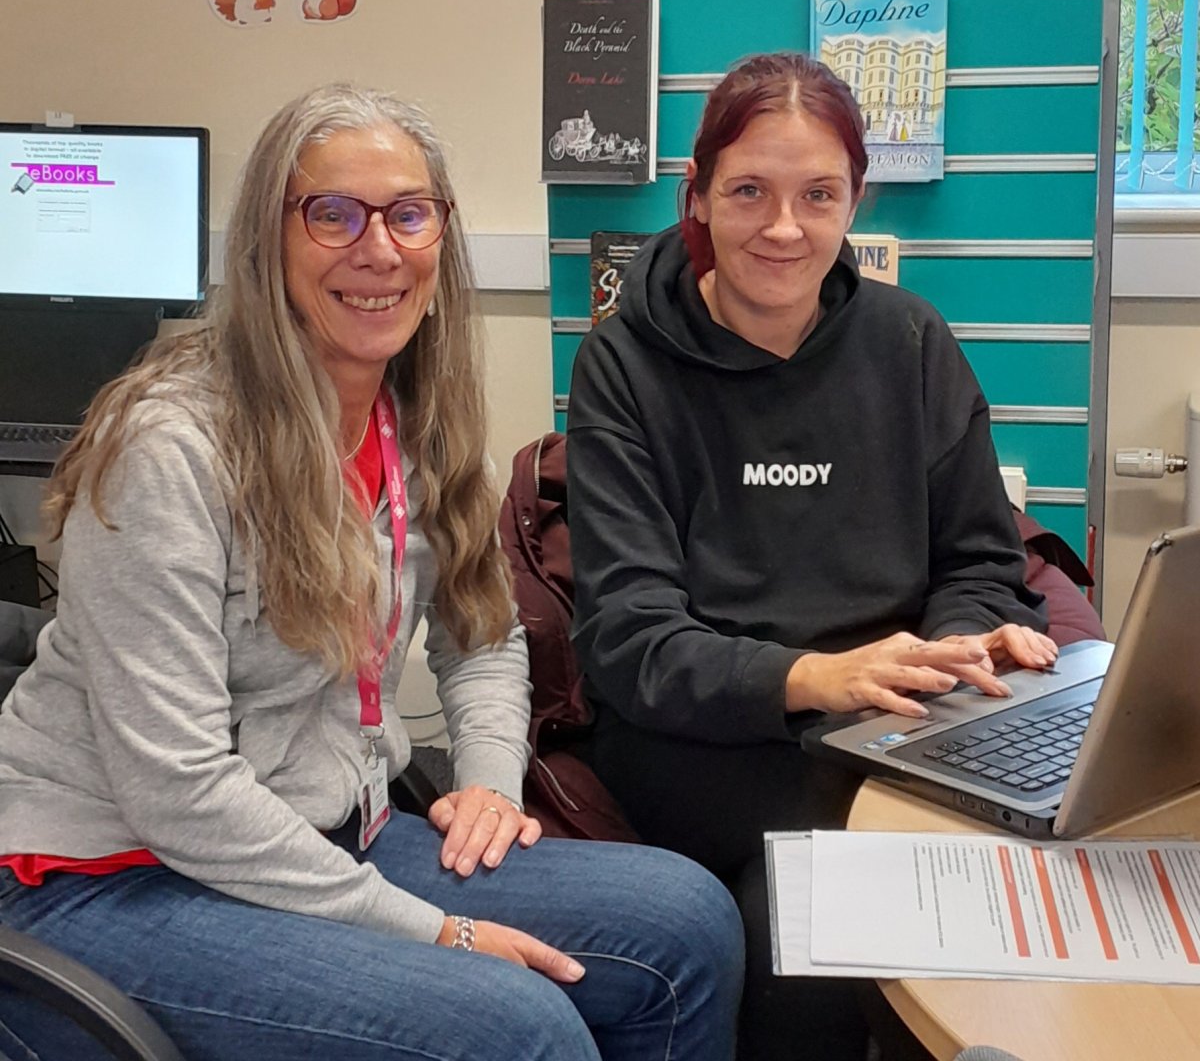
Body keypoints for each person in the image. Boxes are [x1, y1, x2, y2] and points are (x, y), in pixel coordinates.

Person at [0, 83, 744, 1061]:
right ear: (270, 242)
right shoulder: (169, 448)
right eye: (333, 214)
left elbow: (481, 629)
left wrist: (487, 784)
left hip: (321, 833)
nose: (378, 249)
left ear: (442, 235)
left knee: (686, 919)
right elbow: (176, 790)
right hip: (111, 872)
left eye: (408, 213)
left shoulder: (419, 424)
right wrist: (436, 931)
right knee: (516, 1030)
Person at [566, 52, 1057, 1061]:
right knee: (812, 938)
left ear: (854, 200)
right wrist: (822, 676)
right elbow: (631, 640)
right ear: (696, 194)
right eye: (748, 191)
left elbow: (978, 559)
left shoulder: (912, 340)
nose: (784, 229)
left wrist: (959, 649)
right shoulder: (622, 364)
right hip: (706, 744)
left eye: (817, 195)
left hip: (896, 722)